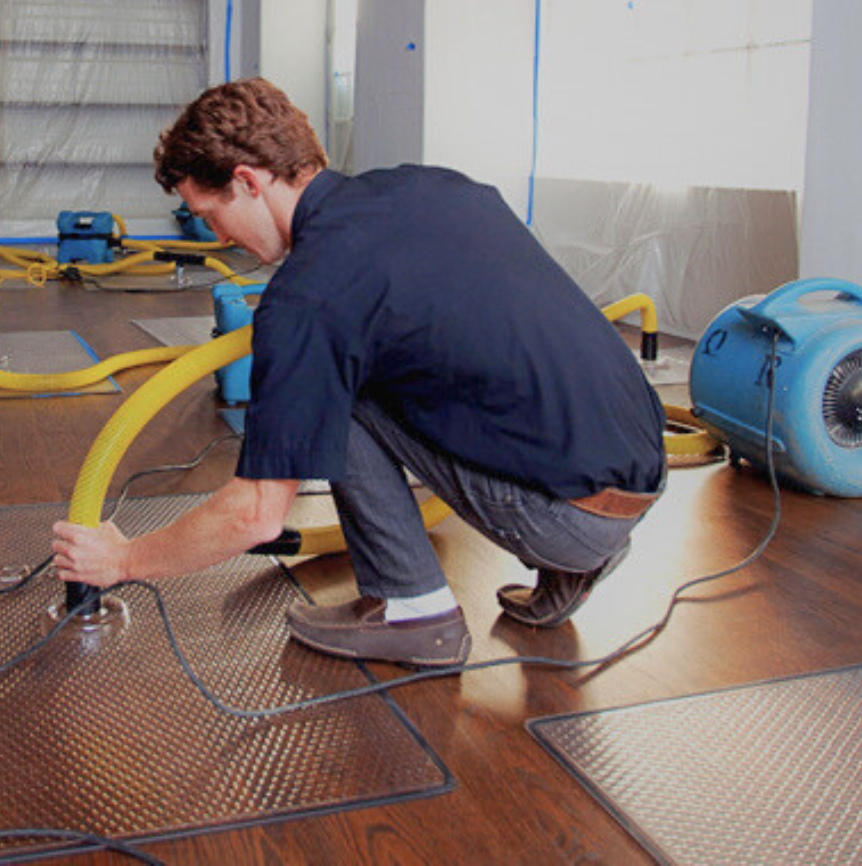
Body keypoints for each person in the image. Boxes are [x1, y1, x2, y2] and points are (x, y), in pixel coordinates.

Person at [52, 77, 666, 669]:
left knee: (335, 385)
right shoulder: (434, 186)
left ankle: (412, 609)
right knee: (384, 359)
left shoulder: (308, 295)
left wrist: (124, 559)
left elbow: (256, 515)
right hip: (643, 470)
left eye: (210, 215)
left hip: (571, 517)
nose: (218, 237)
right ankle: (578, 563)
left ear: (247, 181)